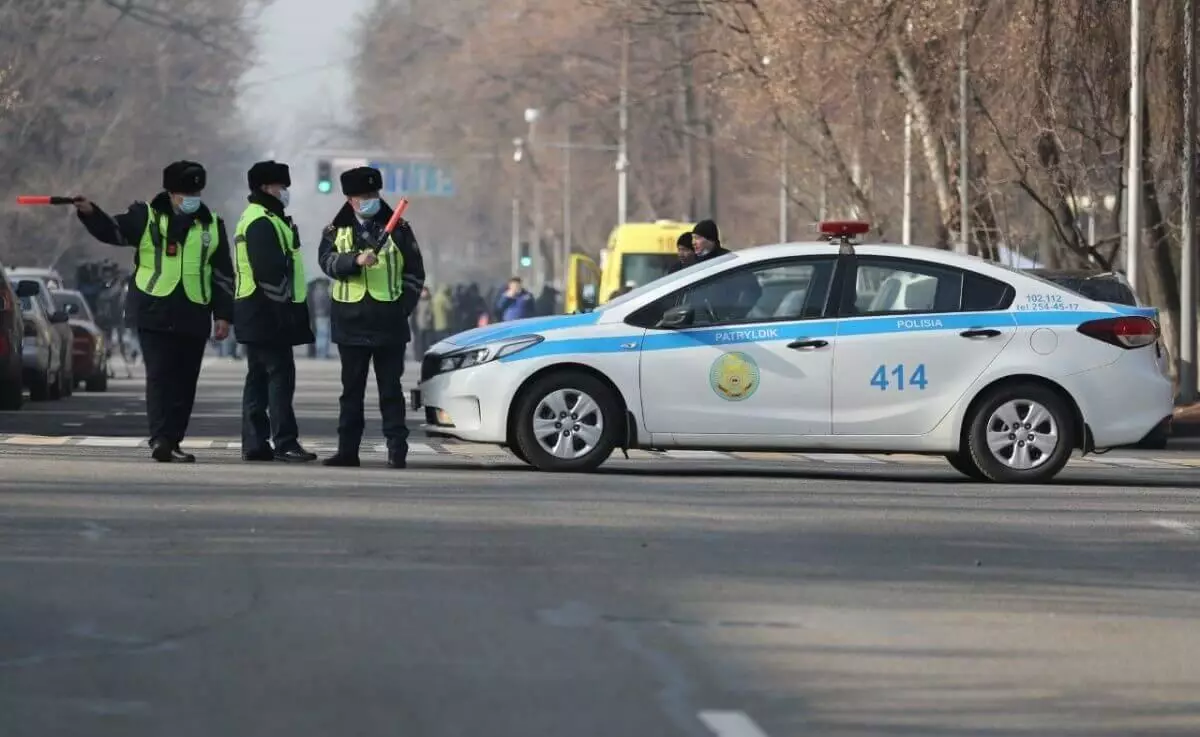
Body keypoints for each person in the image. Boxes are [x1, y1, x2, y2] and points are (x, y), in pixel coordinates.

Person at [73, 161, 234, 462]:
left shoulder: (212, 223)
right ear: (171, 193)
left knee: (185, 381)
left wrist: (223, 315)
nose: (192, 197)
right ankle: (160, 438)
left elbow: (224, 273)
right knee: (160, 375)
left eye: (196, 191)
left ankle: (173, 439)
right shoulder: (145, 217)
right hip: (154, 308)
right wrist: (90, 212)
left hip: (194, 310)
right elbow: (114, 232)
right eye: (186, 192)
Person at [317, 166, 425, 469]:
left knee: (391, 391)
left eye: (374, 194)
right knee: (351, 392)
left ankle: (396, 449)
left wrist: (401, 308)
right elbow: (326, 262)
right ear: (351, 200)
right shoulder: (335, 231)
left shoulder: (399, 229)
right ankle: (347, 450)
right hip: (350, 323)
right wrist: (354, 260)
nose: (371, 200)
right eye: (364, 196)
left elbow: (415, 274)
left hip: (389, 324)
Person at [233, 160, 317, 463]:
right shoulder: (261, 221)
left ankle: (255, 443)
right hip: (266, 311)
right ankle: (285, 442)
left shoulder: (265, 217)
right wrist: (284, 311)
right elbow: (268, 271)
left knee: (257, 379)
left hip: (255, 311)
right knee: (280, 378)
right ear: (267, 187)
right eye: (282, 187)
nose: (285, 192)